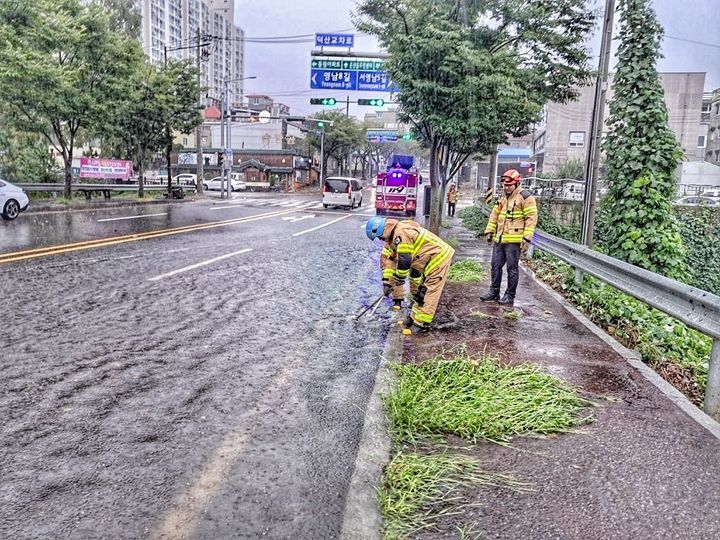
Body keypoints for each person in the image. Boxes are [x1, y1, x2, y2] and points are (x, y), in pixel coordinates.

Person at [366, 217, 455, 334]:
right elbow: (391, 261)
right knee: (421, 291)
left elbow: (404, 260)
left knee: (429, 291)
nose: (380, 240)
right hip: (427, 261)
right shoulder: (391, 238)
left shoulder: (400, 234)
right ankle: (414, 317)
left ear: (382, 231)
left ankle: (422, 323)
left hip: (438, 258)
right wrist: (387, 282)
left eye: (379, 237)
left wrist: (399, 279)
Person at [480, 169, 537, 305]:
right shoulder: (502, 197)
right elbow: (495, 215)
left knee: (512, 269)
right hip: (500, 239)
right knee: (495, 266)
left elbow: (531, 218)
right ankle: (494, 292)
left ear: (517, 184)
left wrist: (526, 238)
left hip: (514, 241)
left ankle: (510, 295)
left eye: (509, 185)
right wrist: (489, 231)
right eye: (505, 185)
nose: (506, 187)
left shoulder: (525, 197)